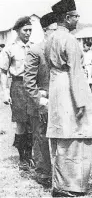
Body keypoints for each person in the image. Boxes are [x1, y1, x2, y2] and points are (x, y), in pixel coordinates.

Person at [45, 0, 92, 196]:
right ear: (67, 18)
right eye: (75, 16)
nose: (77, 19)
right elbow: (76, 72)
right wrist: (81, 102)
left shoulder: (50, 38)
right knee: (76, 137)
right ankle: (71, 185)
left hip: (56, 87)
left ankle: (59, 183)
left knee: (62, 137)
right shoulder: (69, 40)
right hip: (70, 88)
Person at [24, 12, 57, 187]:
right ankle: (43, 173)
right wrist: (41, 101)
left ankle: (58, 173)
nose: (57, 33)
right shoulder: (36, 50)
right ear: (45, 30)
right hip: (40, 103)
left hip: (58, 101)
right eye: (54, 29)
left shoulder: (60, 49)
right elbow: (28, 82)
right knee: (41, 138)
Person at [0, 16, 34, 171]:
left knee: (32, 123)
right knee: (21, 122)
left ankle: (30, 155)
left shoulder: (34, 47)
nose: (28, 33)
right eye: (25, 30)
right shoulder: (9, 48)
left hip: (33, 86)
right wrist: (5, 93)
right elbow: (3, 72)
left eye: (30, 30)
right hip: (18, 86)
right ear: (17, 30)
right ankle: (23, 159)